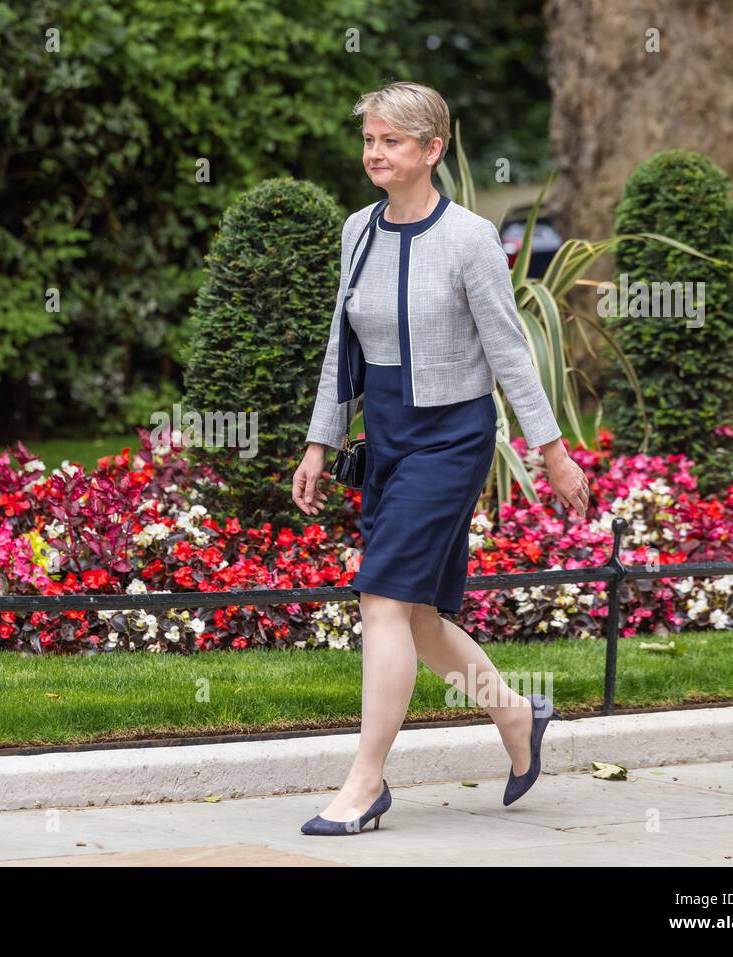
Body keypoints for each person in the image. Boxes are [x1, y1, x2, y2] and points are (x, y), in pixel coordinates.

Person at [290, 81, 590, 834]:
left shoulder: (468, 239)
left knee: (382, 599)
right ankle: (518, 712)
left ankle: (365, 784)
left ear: (432, 150)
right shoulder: (358, 229)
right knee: (419, 618)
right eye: (368, 140)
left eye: (391, 141)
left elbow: (510, 353)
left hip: (452, 437)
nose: (374, 153)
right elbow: (341, 344)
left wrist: (550, 449)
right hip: (385, 436)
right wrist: (320, 441)